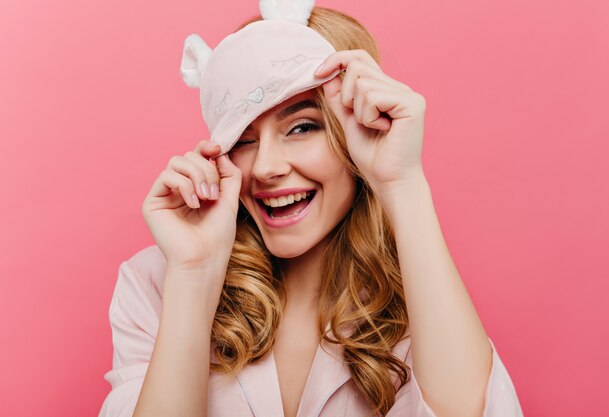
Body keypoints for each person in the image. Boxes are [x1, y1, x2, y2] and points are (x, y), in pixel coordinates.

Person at [98, 2, 524, 417]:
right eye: (243, 139)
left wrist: (402, 182)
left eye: (302, 127)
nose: (264, 167)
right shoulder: (157, 281)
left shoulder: (422, 290)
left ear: (359, 127)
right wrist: (194, 276)